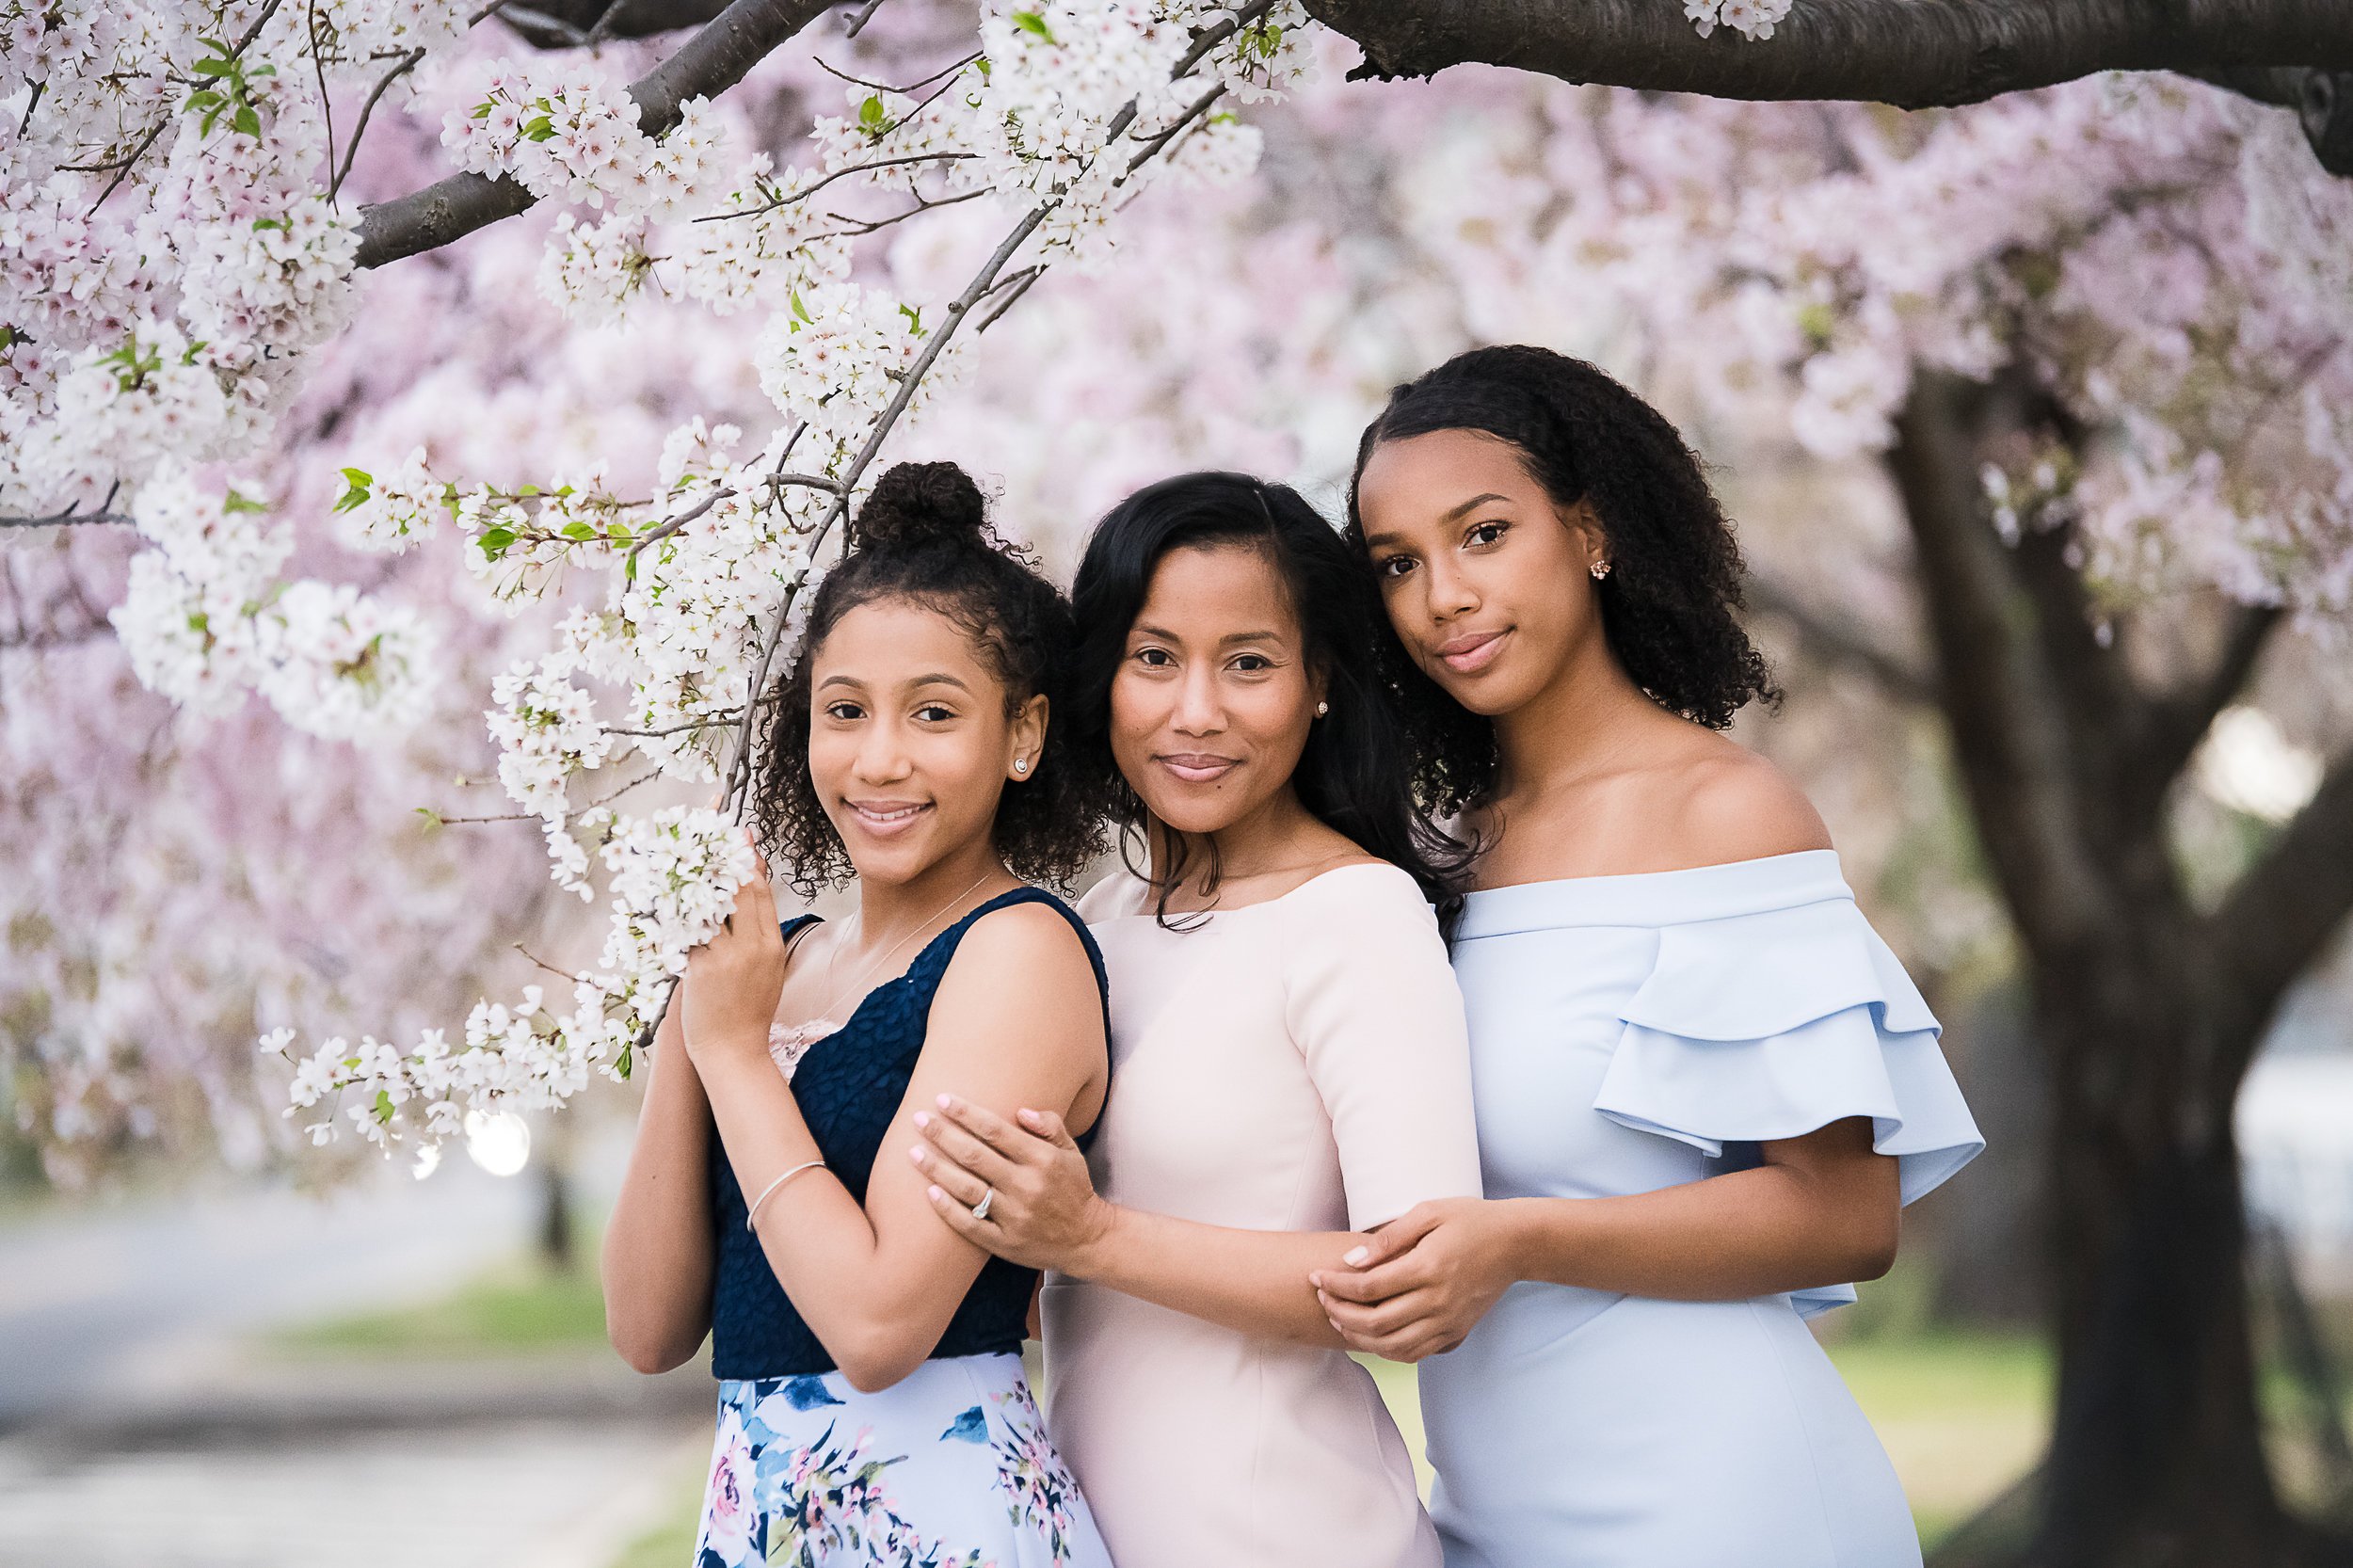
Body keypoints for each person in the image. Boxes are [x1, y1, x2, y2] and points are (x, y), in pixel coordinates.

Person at [1317, 344, 1986, 1568]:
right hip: (1492, 1501)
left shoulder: (1723, 814)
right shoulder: (1444, 855)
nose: (1440, 597)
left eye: (1482, 534)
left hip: (1717, 1497)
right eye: (1399, 565)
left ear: (1592, 532)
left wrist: (1519, 1241)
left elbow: (1847, 1213)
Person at [908, 472, 1483, 1568]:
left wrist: (1092, 1238)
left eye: (1249, 663)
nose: (1197, 711)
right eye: (1155, 656)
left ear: (1319, 684)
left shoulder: (1356, 915)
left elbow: (1415, 1285)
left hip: (1289, 1534)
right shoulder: (1088, 921)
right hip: (1082, 1526)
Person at [599, 461, 1118, 1568]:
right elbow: (648, 1330)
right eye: (844, 712)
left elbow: (881, 1327)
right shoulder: (770, 966)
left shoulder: (1016, 952)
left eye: (934, 713)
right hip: (764, 1507)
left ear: (1021, 734)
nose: (880, 759)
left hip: (936, 1512)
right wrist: (696, 1028)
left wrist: (737, 1054)